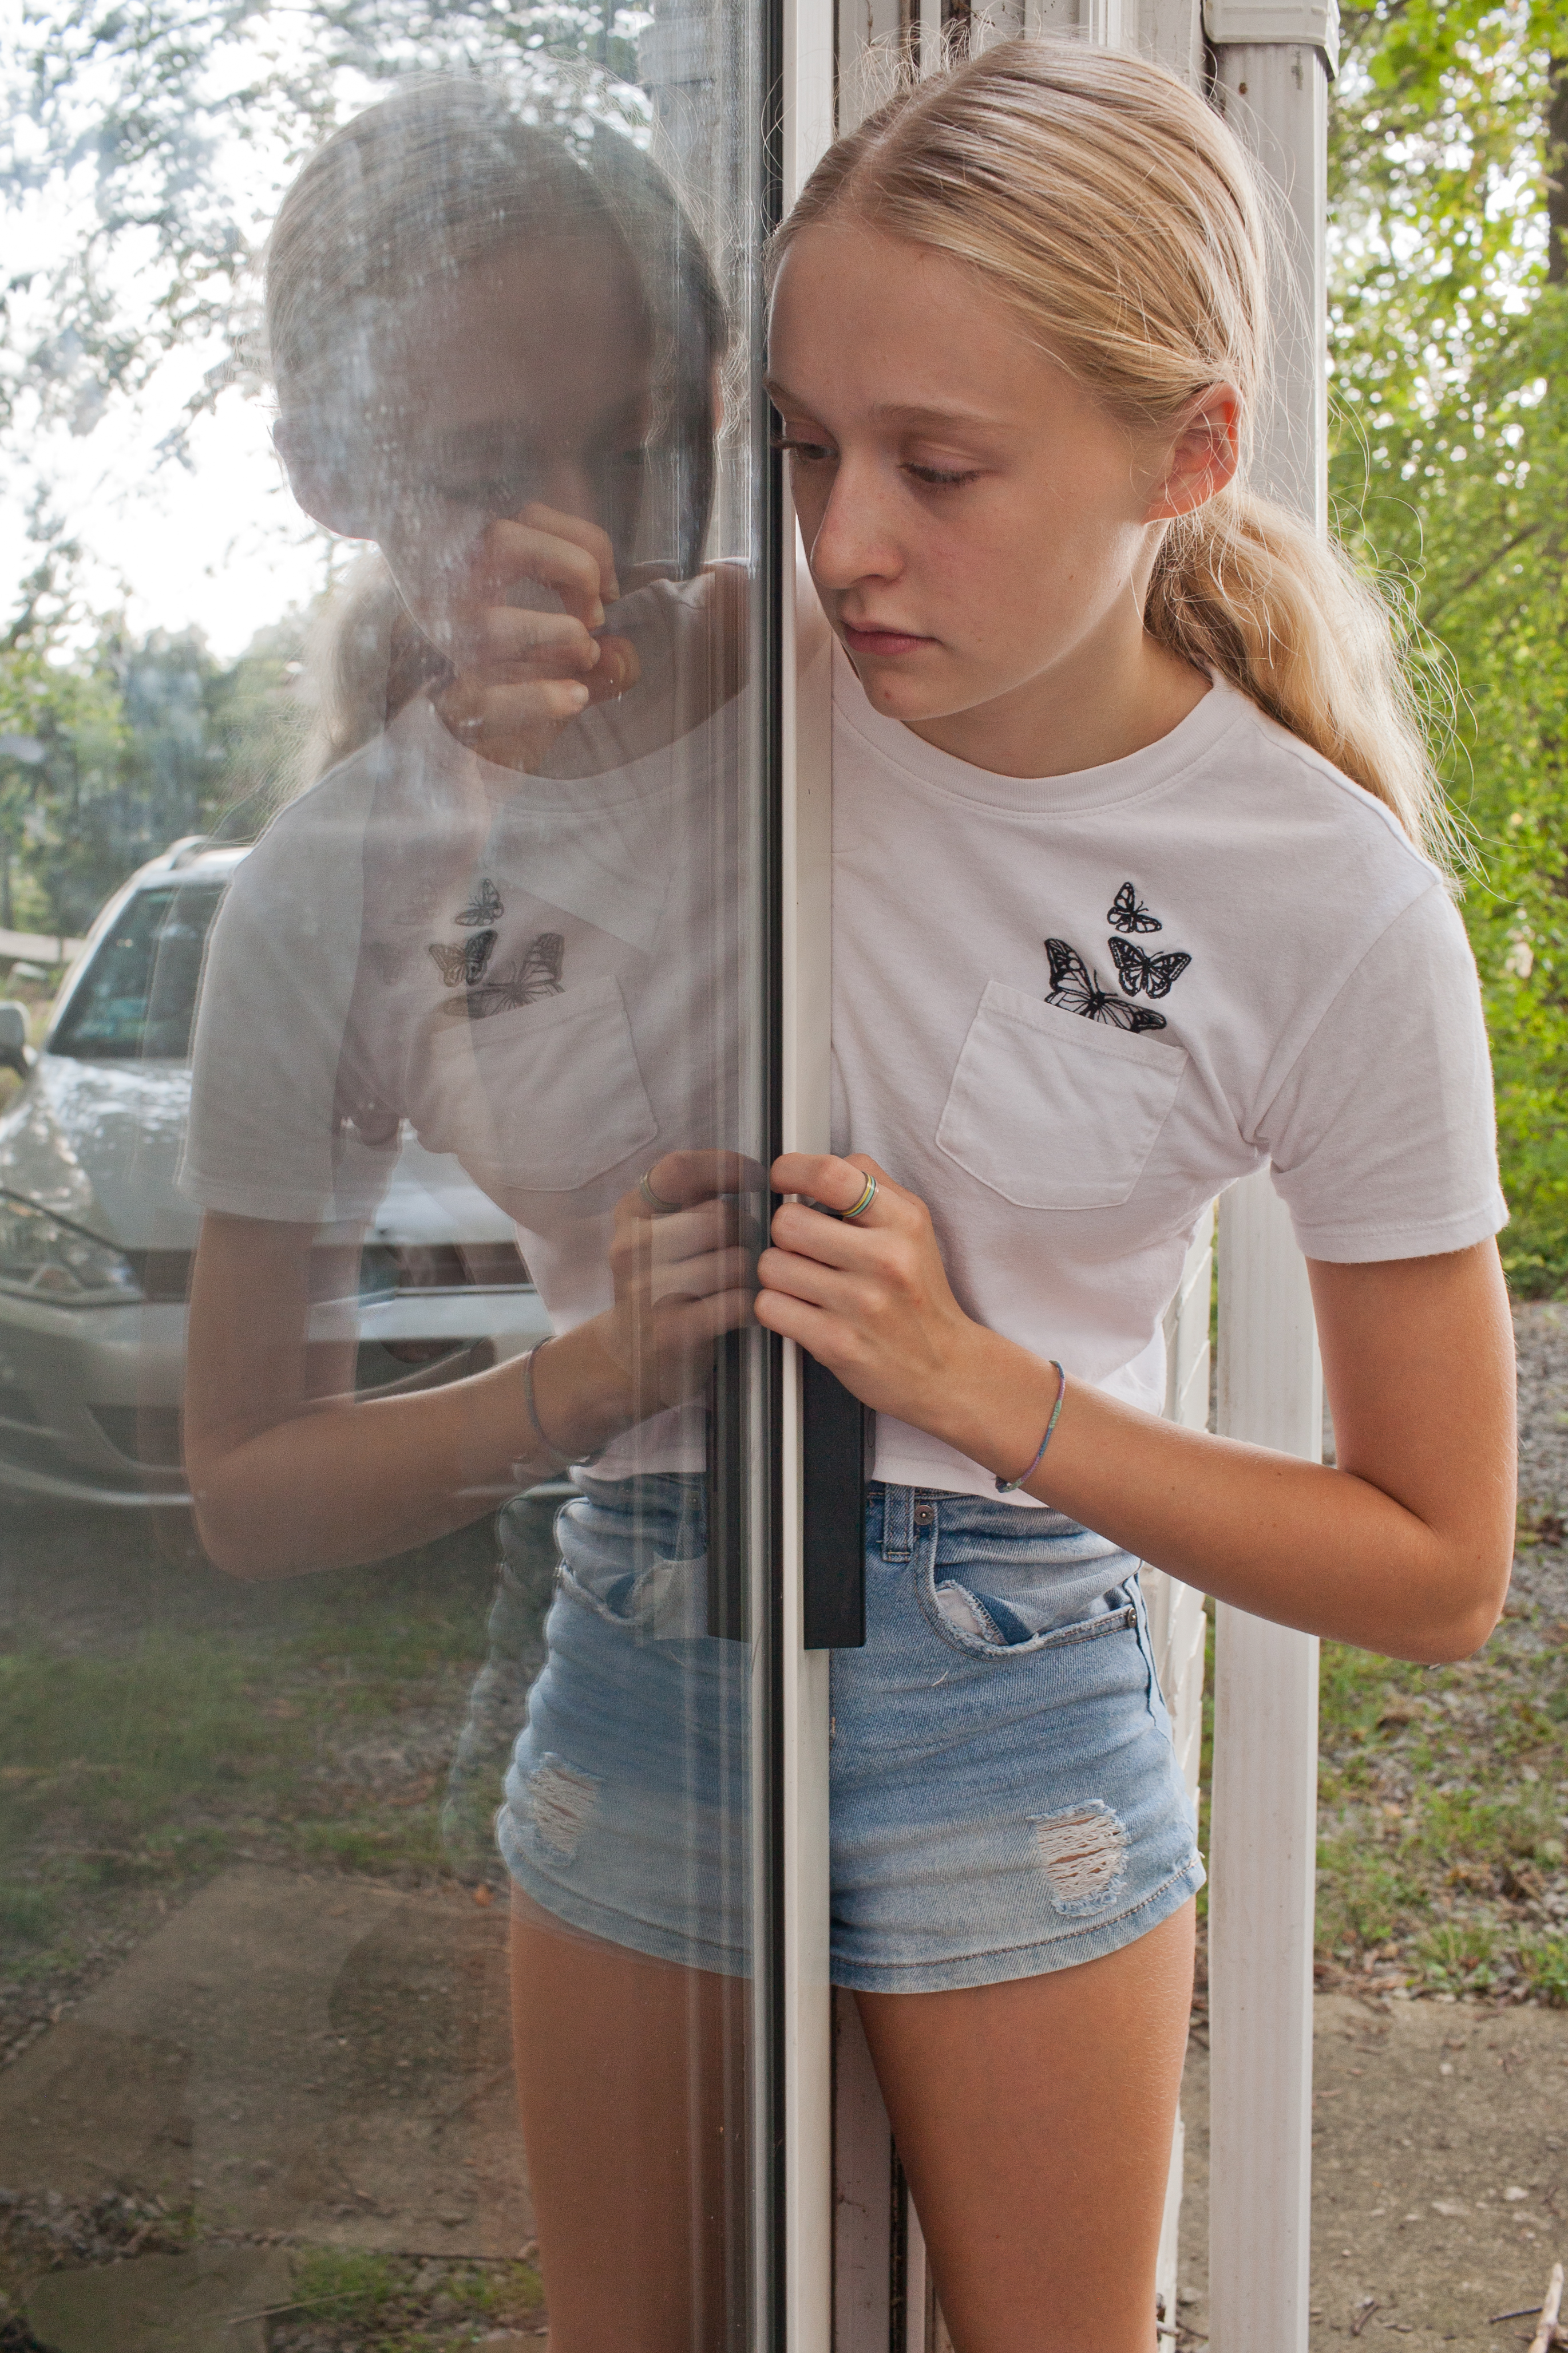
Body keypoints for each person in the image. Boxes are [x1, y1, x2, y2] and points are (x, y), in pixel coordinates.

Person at [181, 41, 1515, 2353]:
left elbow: (1439, 1559)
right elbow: (255, 1476)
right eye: (794, 449)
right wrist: (582, 1364)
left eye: (940, 463)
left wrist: (987, 1389)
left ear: (1187, 450)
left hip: (1023, 1665)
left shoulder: (1326, 894)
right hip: (644, 1625)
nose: (846, 539)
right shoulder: (700, 713)